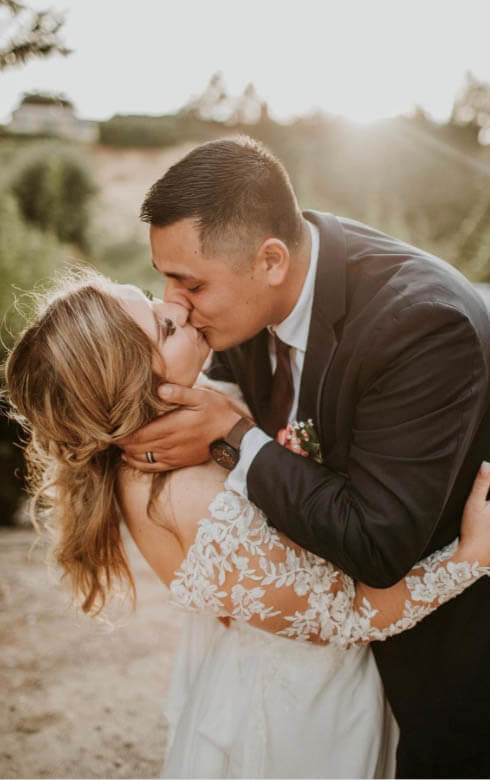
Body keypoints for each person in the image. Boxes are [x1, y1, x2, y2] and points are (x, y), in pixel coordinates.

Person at [6, 272, 490, 779]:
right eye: (163, 328)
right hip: (302, 716)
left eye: (150, 299)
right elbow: (346, 615)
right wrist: (468, 557)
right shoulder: (185, 494)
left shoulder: (179, 425)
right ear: (134, 385)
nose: (176, 308)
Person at [120, 136, 490, 778]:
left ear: (270, 259)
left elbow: (380, 543)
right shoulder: (240, 305)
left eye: (189, 283)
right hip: (323, 643)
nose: (175, 303)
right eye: (165, 282)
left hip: (441, 647)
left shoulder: (422, 324)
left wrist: (235, 438)